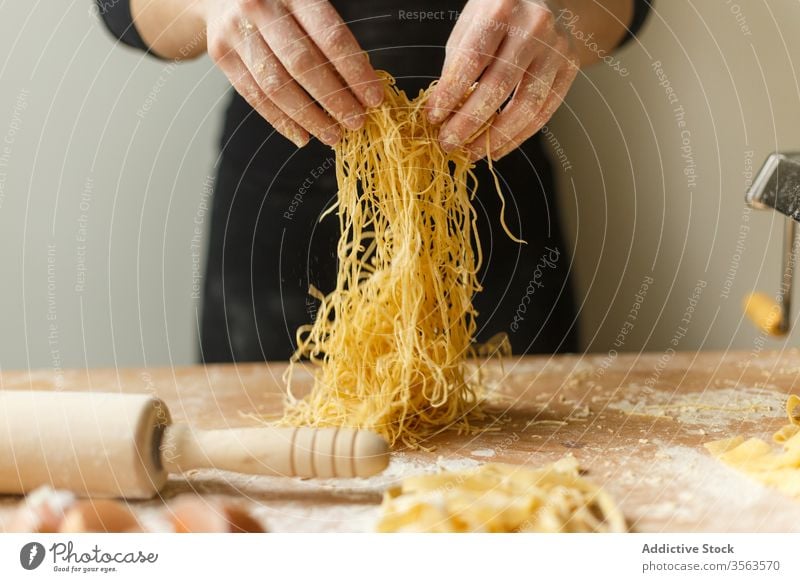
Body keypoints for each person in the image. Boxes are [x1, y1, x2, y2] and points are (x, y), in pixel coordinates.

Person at [97, 0, 651, 362]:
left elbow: (628, 10)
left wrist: (563, 9)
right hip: (277, 227)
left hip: (498, 205)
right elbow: (119, 11)